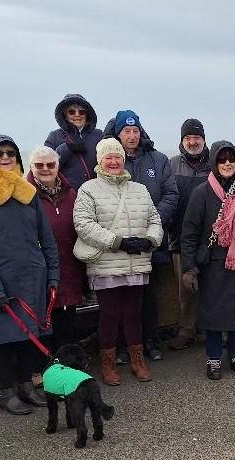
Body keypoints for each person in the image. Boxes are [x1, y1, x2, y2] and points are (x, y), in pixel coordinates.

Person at [0, 135, 59, 415]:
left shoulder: (27, 193)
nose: (6, 158)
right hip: (0, 279)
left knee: (32, 335)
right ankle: (7, 390)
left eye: (11, 153)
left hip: (33, 276)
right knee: (4, 338)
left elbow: (48, 239)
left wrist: (53, 274)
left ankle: (26, 384)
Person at [72, 138, 163, 386]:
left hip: (136, 262)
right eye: (108, 157)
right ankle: (108, 364)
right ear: (99, 161)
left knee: (134, 313)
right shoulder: (88, 189)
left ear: (124, 159)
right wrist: (117, 242)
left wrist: (151, 240)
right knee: (110, 315)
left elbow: (155, 220)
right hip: (106, 263)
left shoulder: (140, 189)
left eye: (118, 157)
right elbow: (83, 225)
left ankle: (137, 359)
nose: (113, 162)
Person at [180, 141, 235, 380]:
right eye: (222, 159)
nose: (227, 163)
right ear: (214, 163)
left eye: (231, 159)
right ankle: (214, 357)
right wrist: (189, 268)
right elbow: (189, 233)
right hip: (212, 265)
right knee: (213, 314)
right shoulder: (201, 193)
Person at [105, 110, 178, 362]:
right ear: (118, 134)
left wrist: (150, 224)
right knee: (121, 296)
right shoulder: (111, 160)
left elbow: (171, 195)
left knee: (148, 296)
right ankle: (123, 346)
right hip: (120, 244)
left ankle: (151, 340)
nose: (132, 135)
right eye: (127, 131)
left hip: (152, 240)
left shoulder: (158, 160)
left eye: (136, 130)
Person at [27, 146, 87, 347]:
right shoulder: (25, 195)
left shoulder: (71, 193)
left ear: (58, 166)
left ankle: (68, 366)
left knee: (68, 321)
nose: (45, 169)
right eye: (39, 165)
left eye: (50, 164)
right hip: (40, 270)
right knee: (44, 324)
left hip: (70, 266)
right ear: (31, 167)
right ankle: (48, 368)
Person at [168, 119, 210, 350]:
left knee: (212, 285)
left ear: (204, 139)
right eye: (188, 138)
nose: (193, 142)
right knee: (185, 287)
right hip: (180, 238)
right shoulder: (171, 165)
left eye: (197, 138)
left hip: (210, 239)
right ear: (182, 141)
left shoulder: (214, 164)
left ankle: (210, 328)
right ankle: (186, 330)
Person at [39, 93, 103, 190]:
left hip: (97, 193)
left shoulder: (99, 135)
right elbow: (46, 166)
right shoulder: (54, 136)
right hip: (67, 194)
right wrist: (67, 148)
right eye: (72, 112)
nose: (77, 115)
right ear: (65, 115)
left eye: (81, 112)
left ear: (87, 114)